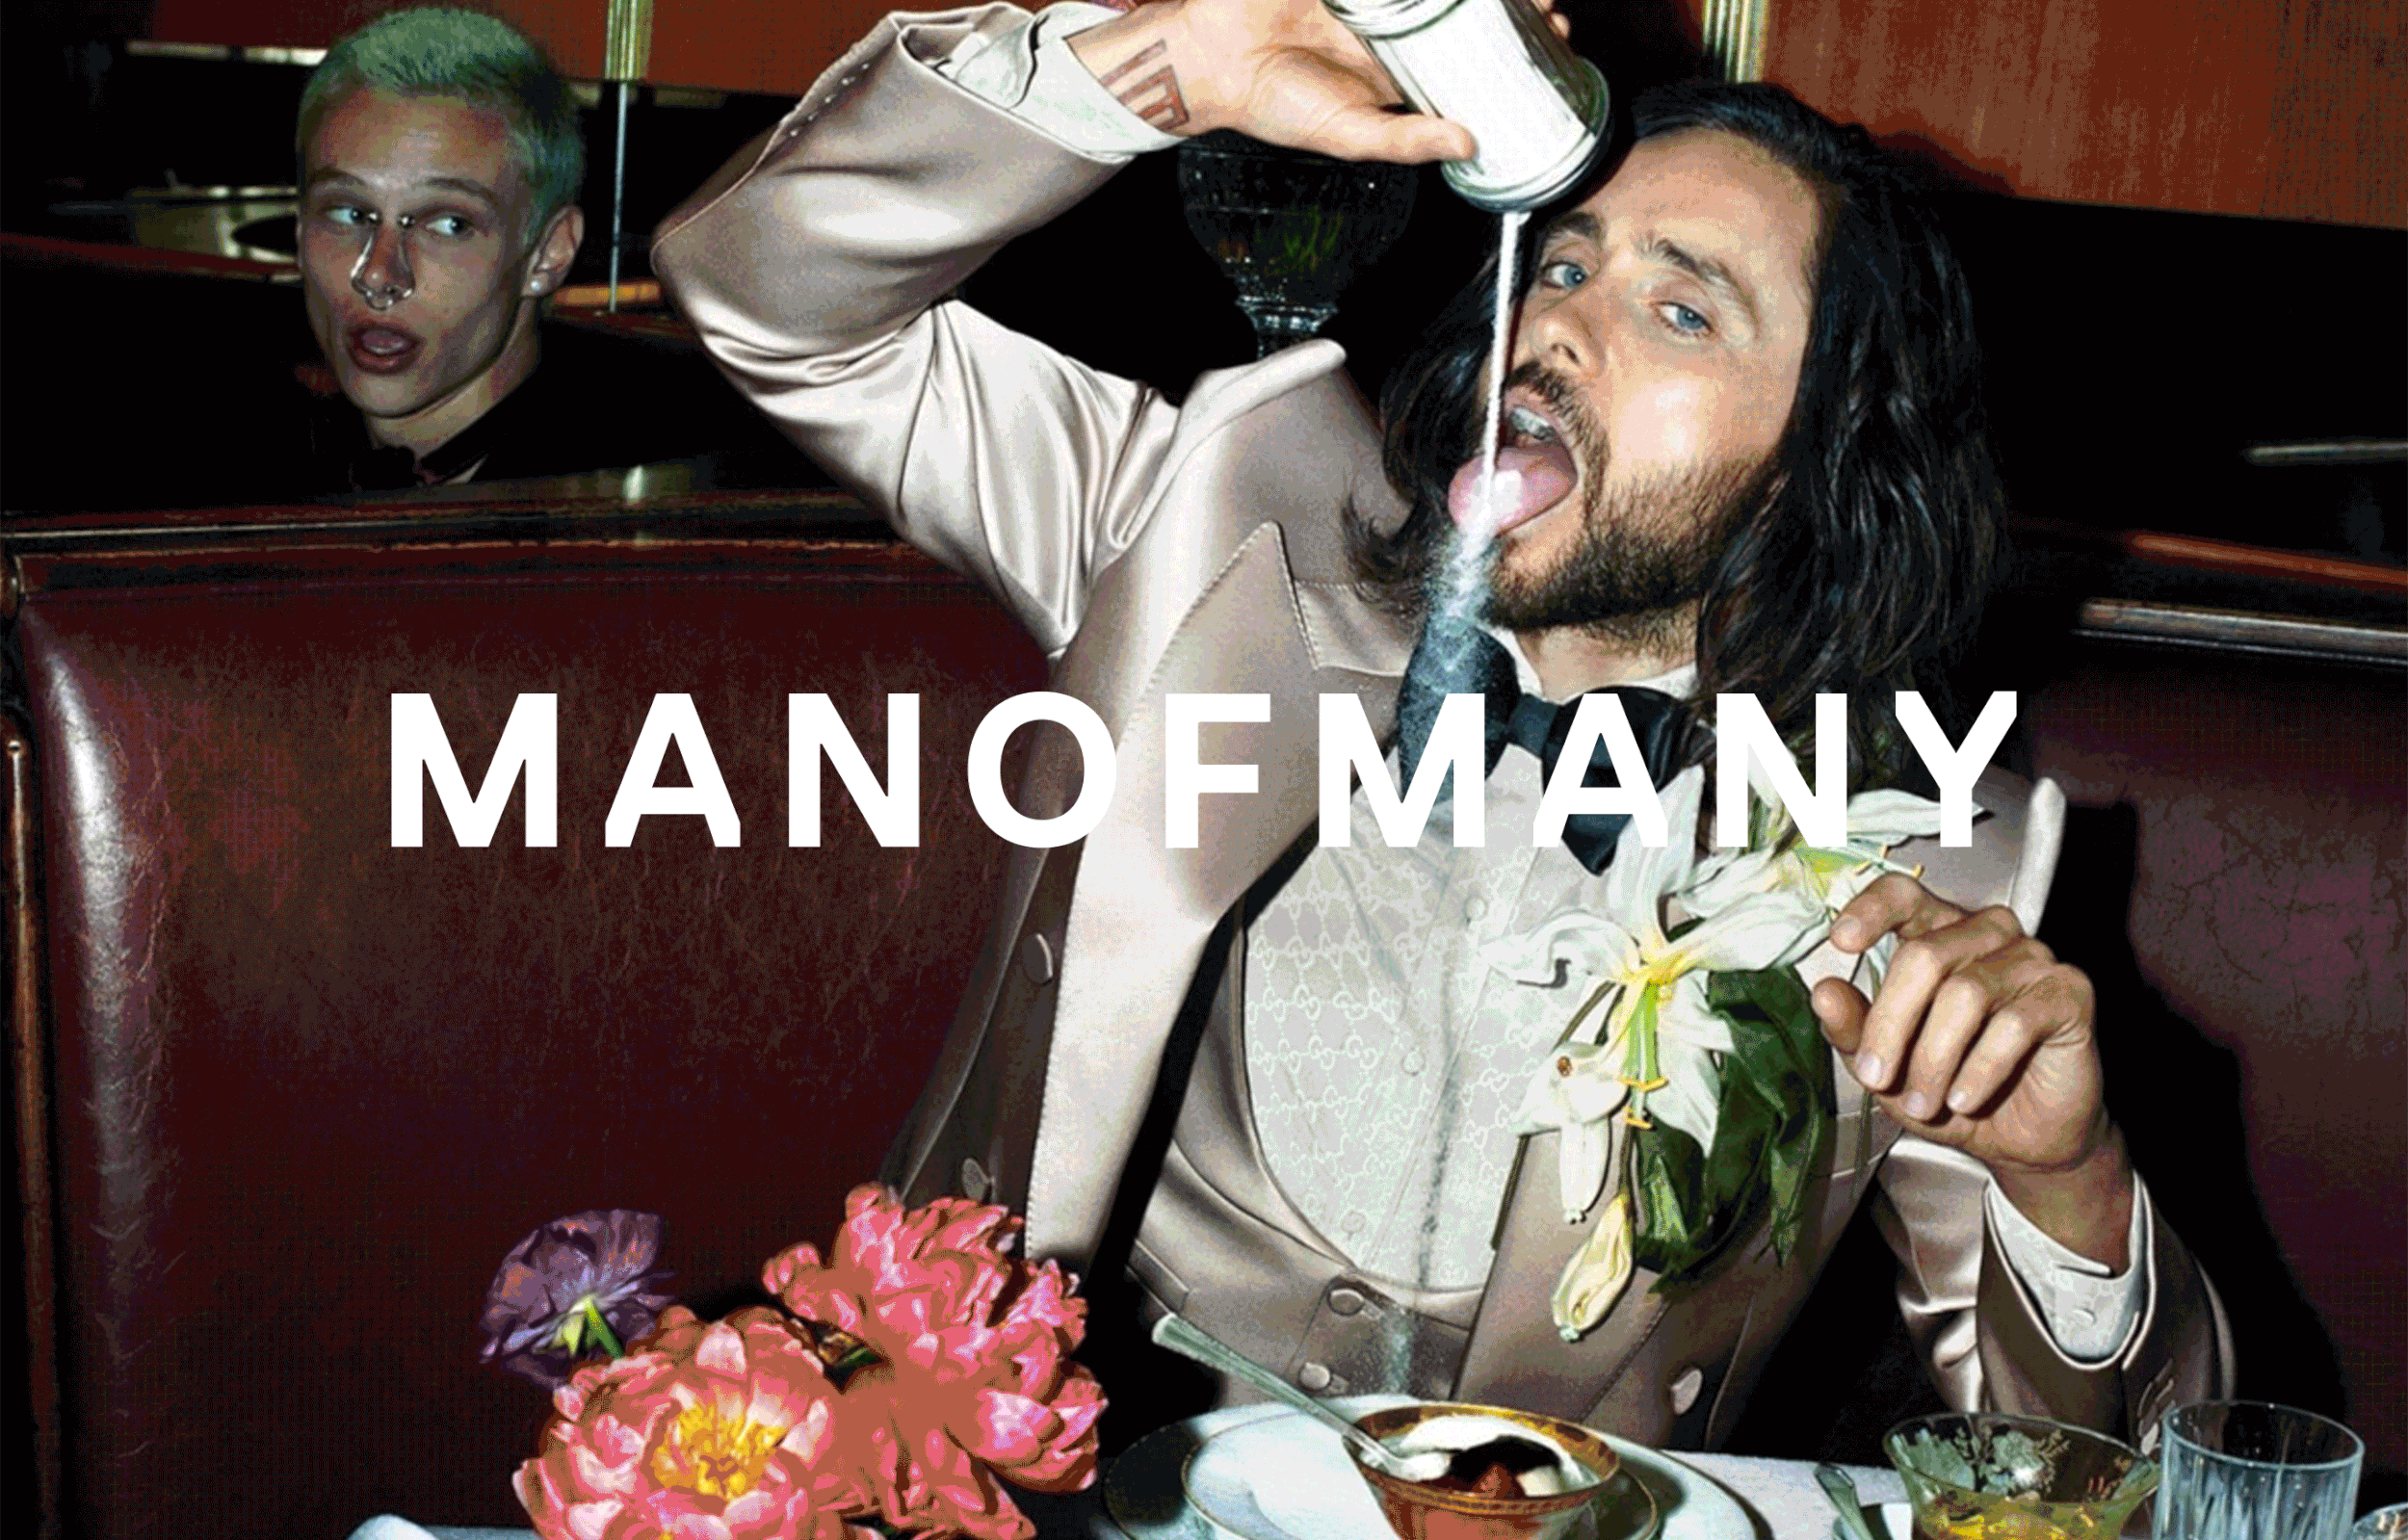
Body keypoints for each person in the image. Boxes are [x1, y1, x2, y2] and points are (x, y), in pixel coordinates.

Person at [653, 0, 2233, 1449]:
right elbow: (766, 295)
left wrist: (2069, 1180)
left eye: (1683, 312)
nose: (1560, 330)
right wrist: (1156, 64)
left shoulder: (1915, 863)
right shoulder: (1211, 536)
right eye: (1565, 266)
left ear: (1822, 464)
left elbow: (2104, 1476)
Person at [291, 7, 587, 491]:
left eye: (449, 225)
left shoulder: (619, 502)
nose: (378, 275)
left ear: (550, 252)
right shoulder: (243, 463)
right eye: (349, 213)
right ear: (300, 231)